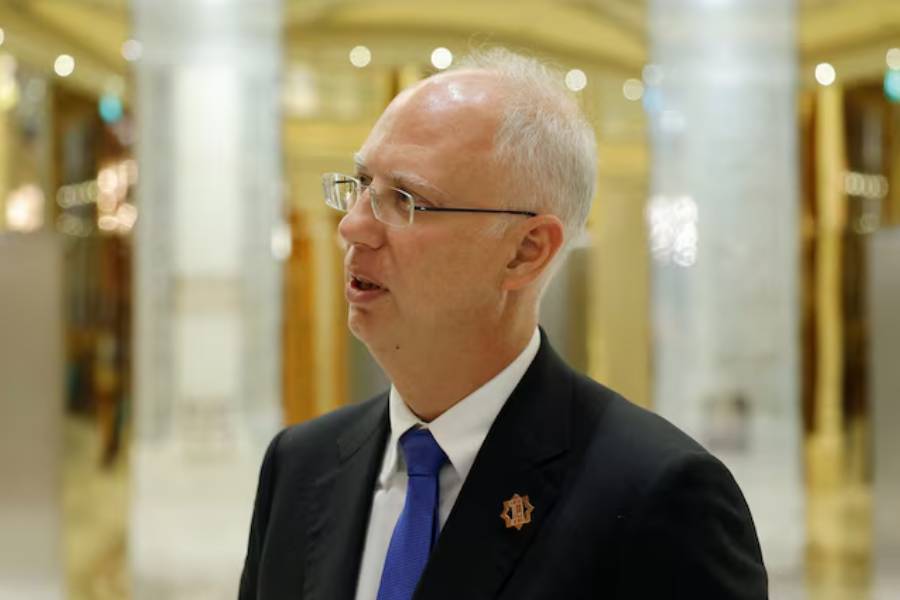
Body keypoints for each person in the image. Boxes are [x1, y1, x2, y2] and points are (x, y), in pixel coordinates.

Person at [239, 48, 767, 600]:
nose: (352, 227)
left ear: (526, 251)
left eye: (405, 199)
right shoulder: (299, 467)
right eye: (361, 183)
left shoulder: (658, 497)